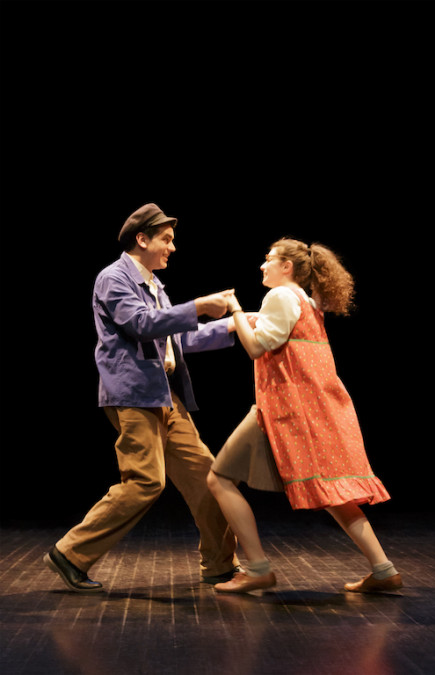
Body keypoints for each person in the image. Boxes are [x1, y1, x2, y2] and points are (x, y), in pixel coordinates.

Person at [44, 202, 241, 593]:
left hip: (165, 394)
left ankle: (220, 564)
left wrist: (233, 325)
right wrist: (199, 306)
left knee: (207, 475)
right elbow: (140, 323)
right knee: (145, 481)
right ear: (142, 239)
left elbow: (178, 339)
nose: (172, 247)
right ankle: (70, 553)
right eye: (166, 239)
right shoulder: (113, 278)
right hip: (134, 394)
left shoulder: (154, 286)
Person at [207, 238, 403, 594]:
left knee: (218, 478)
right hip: (312, 410)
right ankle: (384, 570)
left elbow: (256, 348)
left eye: (268, 259)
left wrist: (234, 309)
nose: (262, 265)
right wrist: (249, 319)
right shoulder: (306, 301)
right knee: (335, 495)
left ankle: (257, 568)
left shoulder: (280, 296)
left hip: (284, 411)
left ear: (287, 267)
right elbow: (279, 336)